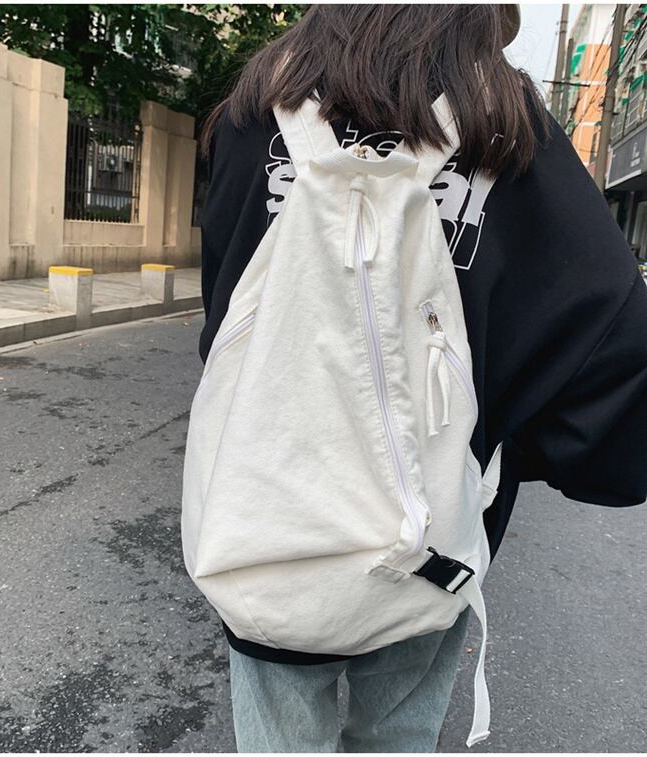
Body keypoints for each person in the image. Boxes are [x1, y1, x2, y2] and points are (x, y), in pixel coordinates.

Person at [193, 5, 647, 752]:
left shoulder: (256, 107)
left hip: (262, 525)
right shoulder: (504, 122)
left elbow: (223, 312)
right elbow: (615, 339)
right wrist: (505, 447)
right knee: (398, 732)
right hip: (429, 545)